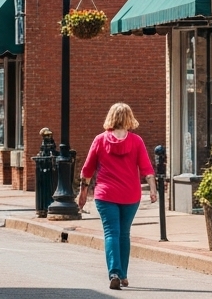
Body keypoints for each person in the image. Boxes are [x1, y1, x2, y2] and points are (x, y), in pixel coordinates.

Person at [77, 103, 156, 290]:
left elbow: (87, 169)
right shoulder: (136, 141)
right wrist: (153, 189)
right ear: (129, 118)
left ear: (110, 117)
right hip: (130, 194)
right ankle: (123, 275)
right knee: (124, 233)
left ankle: (114, 272)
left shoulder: (100, 140)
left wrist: (82, 192)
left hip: (106, 194)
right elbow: (146, 168)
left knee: (111, 232)